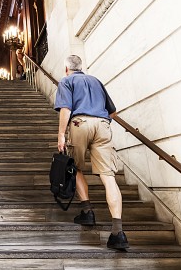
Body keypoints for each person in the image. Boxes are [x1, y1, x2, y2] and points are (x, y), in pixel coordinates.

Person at [55, 54, 128, 251]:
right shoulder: (96, 81)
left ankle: (87, 211)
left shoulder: (66, 81)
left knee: (75, 167)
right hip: (103, 124)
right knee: (108, 176)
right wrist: (101, 122)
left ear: (66, 69)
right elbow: (112, 111)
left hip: (80, 123)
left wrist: (61, 134)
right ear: (81, 67)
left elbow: (65, 109)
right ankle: (118, 232)